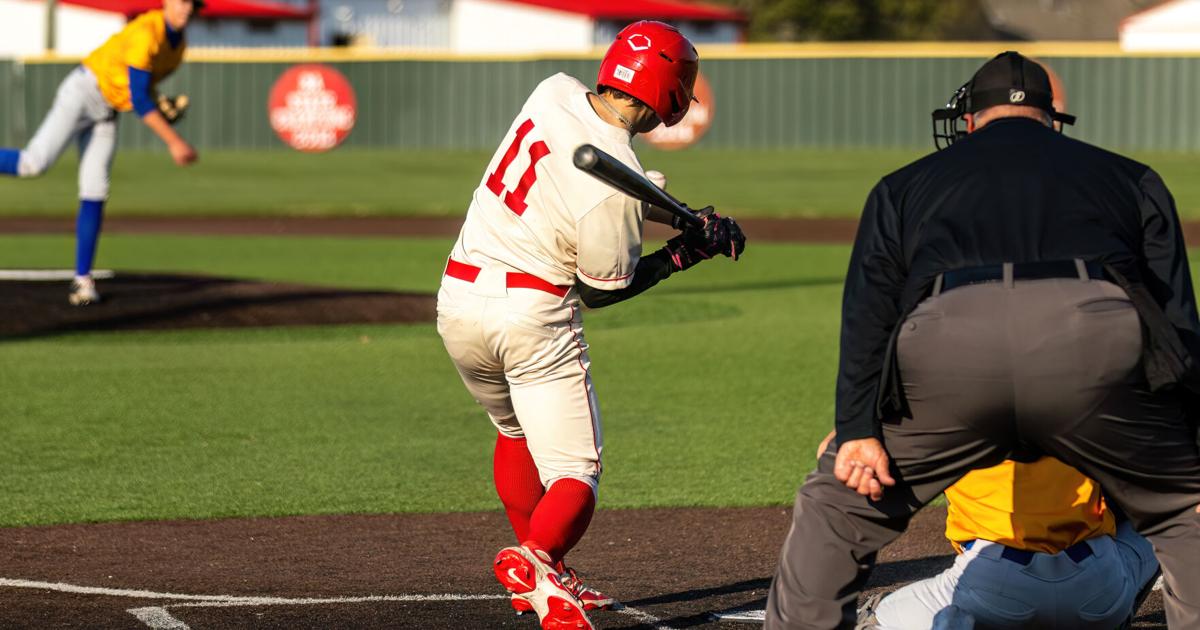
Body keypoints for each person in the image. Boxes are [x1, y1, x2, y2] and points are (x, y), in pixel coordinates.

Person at [765, 51, 1200, 629]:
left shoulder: (904, 185)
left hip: (950, 338)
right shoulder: (1130, 176)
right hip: (1092, 335)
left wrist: (859, 431)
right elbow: (1177, 325)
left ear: (969, 119)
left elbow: (868, 314)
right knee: (1185, 514)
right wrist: (1180, 454)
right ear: (1051, 118)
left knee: (837, 506)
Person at [435, 21, 745, 630]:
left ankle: (543, 585)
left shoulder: (552, 90)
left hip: (459, 299)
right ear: (671, 96)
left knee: (514, 429)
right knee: (577, 474)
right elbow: (606, 289)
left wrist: (682, 216)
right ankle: (537, 558)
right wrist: (686, 252)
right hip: (532, 318)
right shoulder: (615, 197)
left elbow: (607, 175)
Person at [811, 431, 1160, 628]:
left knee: (872, 620)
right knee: (1170, 523)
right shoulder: (1088, 393)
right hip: (1099, 589)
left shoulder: (947, 400)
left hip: (991, 585)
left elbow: (830, 451)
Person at [0, 0, 200, 305]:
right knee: (33, 163)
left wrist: (162, 103)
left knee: (95, 189)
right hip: (84, 92)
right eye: (182, 1)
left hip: (107, 110)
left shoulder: (178, 45)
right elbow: (141, 100)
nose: (187, 8)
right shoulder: (148, 32)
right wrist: (174, 140)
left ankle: (83, 281)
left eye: (193, 3)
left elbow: (141, 89)